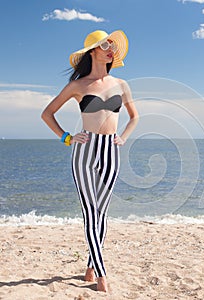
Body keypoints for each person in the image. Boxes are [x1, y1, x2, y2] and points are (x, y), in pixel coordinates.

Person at [41, 29, 139, 292]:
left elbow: (134, 117)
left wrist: (124, 138)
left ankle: (90, 266)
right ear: (93, 51)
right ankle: (101, 274)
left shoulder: (121, 84)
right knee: (89, 212)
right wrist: (66, 138)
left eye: (112, 46)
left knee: (101, 213)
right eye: (105, 45)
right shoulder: (78, 86)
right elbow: (47, 113)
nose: (111, 49)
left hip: (111, 149)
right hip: (85, 149)